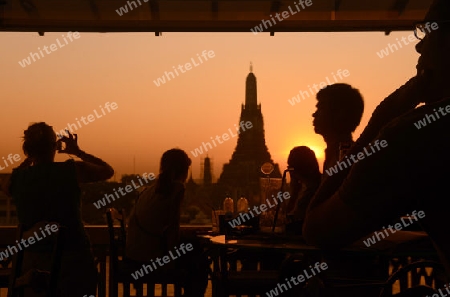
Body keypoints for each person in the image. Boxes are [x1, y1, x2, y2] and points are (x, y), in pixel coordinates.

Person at [303, 0, 450, 283]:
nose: (419, 47)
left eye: (429, 32)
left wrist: (379, 123)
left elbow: (318, 230)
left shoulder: (417, 135)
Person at [6, 123, 114, 297]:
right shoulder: (71, 171)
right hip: (73, 262)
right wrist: (78, 151)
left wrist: (29, 159)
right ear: (55, 146)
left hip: (31, 265)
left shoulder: (17, 179)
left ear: (27, 149)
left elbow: (7, 186)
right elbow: (108, 171)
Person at [125, 148, 208, 297]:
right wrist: (170, 261)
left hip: (133, 258)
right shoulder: (177, 188)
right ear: (184, 170)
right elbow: (172, 227)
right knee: (200, 262)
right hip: (151, 259)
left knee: (194, 250)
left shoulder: (147, 191)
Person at [312, 83, 364, 173]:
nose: (314, 114)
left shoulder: (347, 158)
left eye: (321, 108)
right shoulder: (335, 154)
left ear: (340, 114)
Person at [285, 146, 321, 232]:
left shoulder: (312, 193)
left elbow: (290, 220)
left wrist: (294, 192)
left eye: (290, 168)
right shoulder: (319, 185)